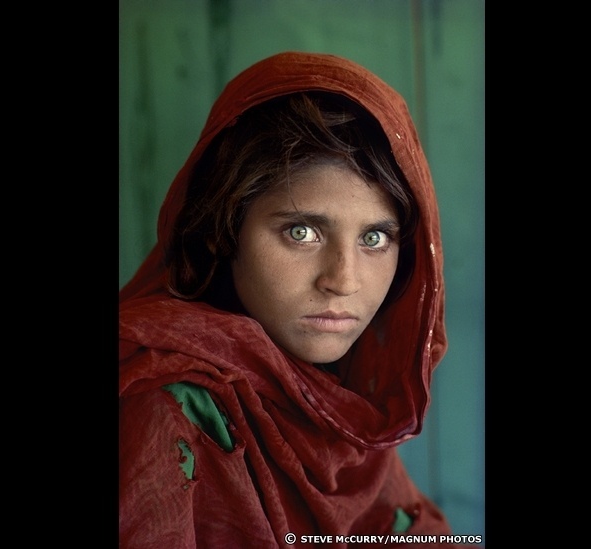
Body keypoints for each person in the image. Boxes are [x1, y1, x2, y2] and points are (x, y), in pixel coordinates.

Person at [119, 51, 451, 548]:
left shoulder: (343, 403)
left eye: (375, 239)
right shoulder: (165, 404)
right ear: (222, 228)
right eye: (302, 231)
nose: (343, 281)